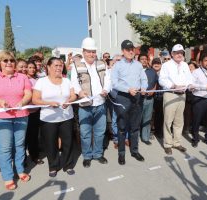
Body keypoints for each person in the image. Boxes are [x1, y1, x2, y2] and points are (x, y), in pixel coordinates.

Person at [0, 51, 32, 190]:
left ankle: (20, 170)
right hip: (0, 118)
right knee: (5, 148)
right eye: (5, 60)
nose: (9, 62)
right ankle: (8, 176)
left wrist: (22, 101)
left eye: (11, 60)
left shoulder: (22, 77)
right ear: (0, 63)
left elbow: (28, 93)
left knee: (20, 146)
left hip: (21, 116)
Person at [71, 37, 111, 168]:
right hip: (85, 106)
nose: (91, 54)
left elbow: (108, 80)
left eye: (93, 51)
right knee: (85, 133)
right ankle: (87, 155)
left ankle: (98, 154)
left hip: (100, 104)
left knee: (100, 132)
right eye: (88, 51)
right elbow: (74, 83)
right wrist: (80, 92)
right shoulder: (76, 66)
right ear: (83, 51)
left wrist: (106, 89)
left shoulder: (102, 64)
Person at [33, 57, 76, 177]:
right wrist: (48, 103)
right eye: (56, 65)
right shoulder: (41, 81)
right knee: (50, 143)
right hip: (48, 118)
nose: (58, 68)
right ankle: (53, 166)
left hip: (67, 116)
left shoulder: (67, 80)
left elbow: (73, 95)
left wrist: (69, 100)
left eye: (60, 65)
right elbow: (35, 99)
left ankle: (68, 165)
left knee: (68, 142)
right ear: (48, 67)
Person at [111, 39, 148, 165]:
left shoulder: (138, 65)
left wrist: (144, 88)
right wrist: (127, 89)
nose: (131, 51)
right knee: (122, 128)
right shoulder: (117, 65)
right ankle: (121, 154)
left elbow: (144, 79)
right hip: (123, 98)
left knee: (135, 127)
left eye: (132, 49)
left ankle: (134, 151)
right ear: (123, 51)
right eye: (128, 49)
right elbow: (114, 83)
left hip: (137, 97)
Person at [159, 44, 192, 155]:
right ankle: (168, 144)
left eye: (181, 52)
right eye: (177, 52)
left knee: (179, 121)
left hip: (182, 95)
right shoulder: (166, 65)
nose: (179, 54)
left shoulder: (185, 65)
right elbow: (162, 80)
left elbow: (189, 78)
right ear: (172, 54)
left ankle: (177, 143)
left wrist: (189, 85)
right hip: (170, 94)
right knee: (168, 121)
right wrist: (173, 86)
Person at [25, 61, 43, 165]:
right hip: (24, 111)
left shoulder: (37, 80)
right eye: (29, 67)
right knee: (24, 136)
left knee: (34, 135)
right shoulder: (22, 79)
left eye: (33, 68)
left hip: (36, 111)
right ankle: (22, 159)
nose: (32, 69)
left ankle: (35, 156)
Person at [138, 54, 158, 145]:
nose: (144, 60)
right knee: (138, 118)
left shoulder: (152, 71)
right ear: (138, 60)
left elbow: (156, 83)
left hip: (149, 99)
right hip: (138, 99)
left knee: (147, 118)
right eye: (142, 59)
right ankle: (136, 137)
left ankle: (145, 137)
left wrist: (153, 90)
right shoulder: (135, 71)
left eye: (146, 59)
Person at [183, 61, 198, 135]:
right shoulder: (185, 75)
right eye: (189, 66)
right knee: (187, 113)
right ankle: (186, 127)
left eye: (192, 66)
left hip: (196, 95)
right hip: (187, 95)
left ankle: (194, 127)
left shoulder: (198, 74)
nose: (191, 67)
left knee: (195, 112)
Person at [151, 58, 163, 138]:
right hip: (151, 97)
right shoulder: (149, 73)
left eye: (158, 63)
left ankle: (158, 131)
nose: (156, 64)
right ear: (152, 65)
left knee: (159, 115)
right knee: (151, 115)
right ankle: (151, 130)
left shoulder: (163, 73)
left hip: (161, 97)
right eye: (155, 63)